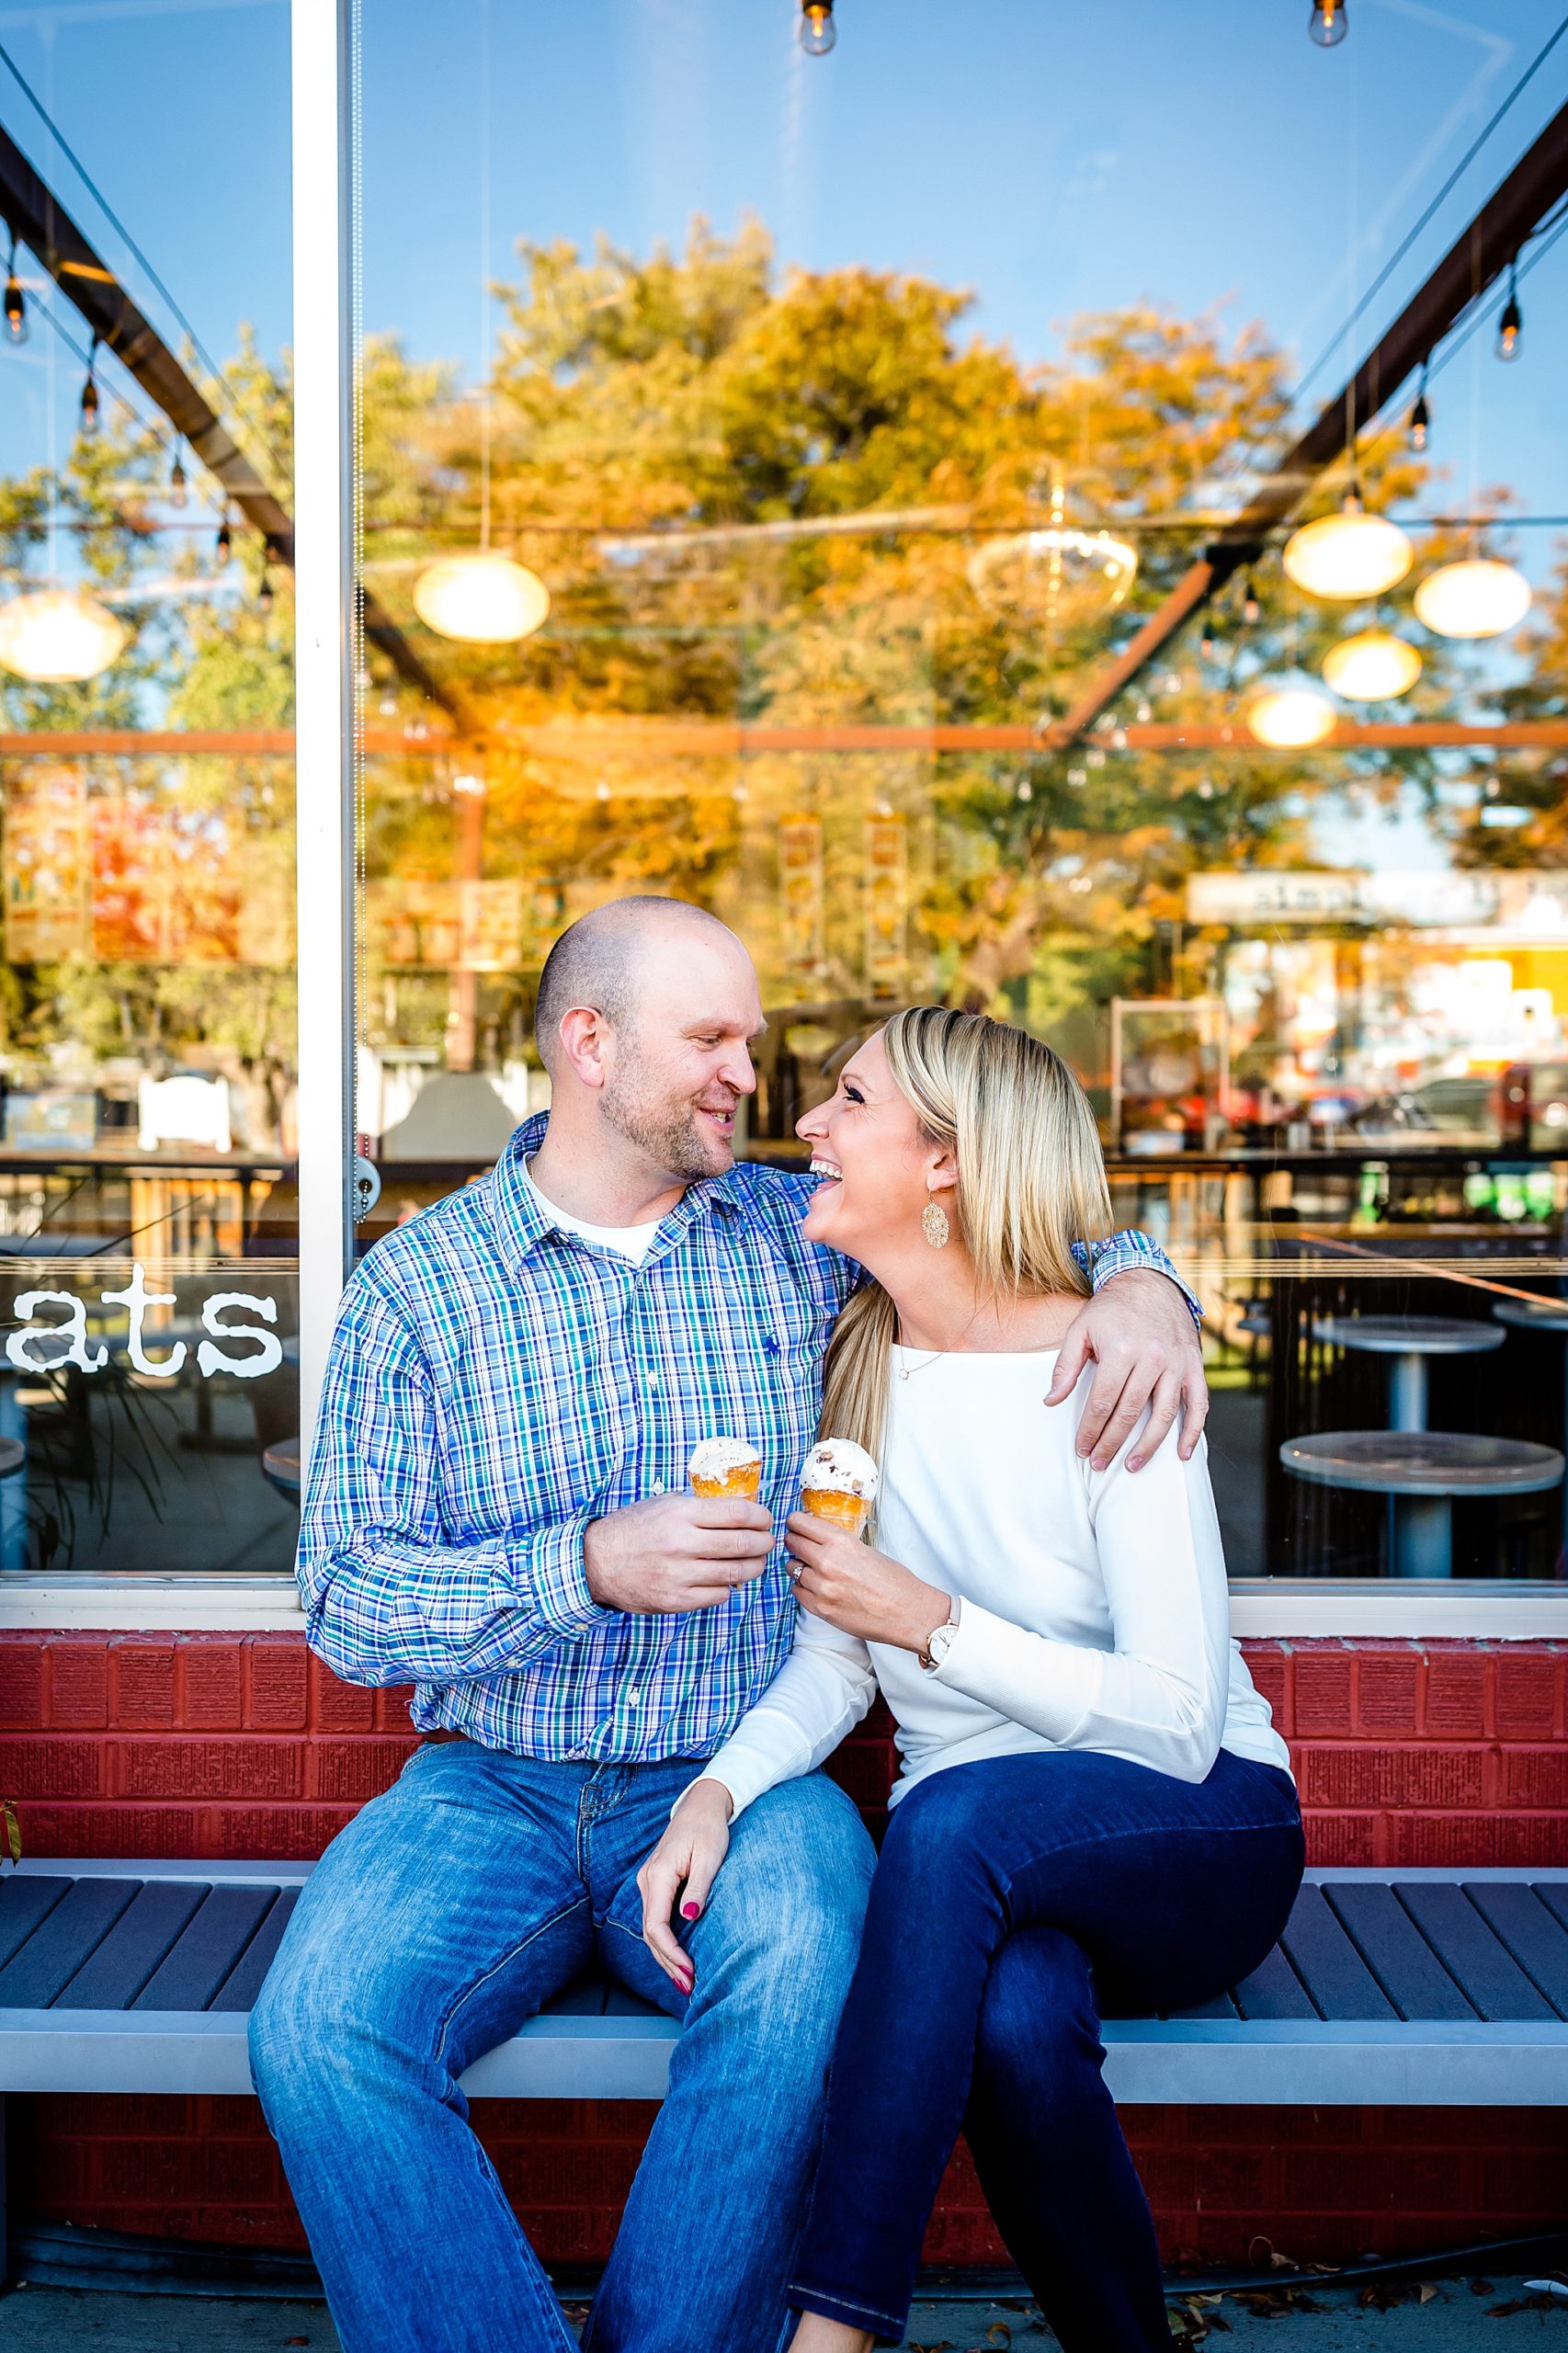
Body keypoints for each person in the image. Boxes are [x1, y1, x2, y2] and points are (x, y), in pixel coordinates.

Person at [250, 897, 1209, 2353]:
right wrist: (581, 1564)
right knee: (317, 2033)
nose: (744, 1077)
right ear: (588, 1043)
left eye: (751, 1043)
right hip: (487, 1785)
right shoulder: (419, 1289)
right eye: (709, 1039)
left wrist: (1146, 1288)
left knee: (802, 2003)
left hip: (746, 1778)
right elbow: (345, 1602)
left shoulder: (794, 1233)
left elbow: (1015, 1221)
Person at [638, 1004, 1302, 2353]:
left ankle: (833, 2334)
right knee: (1009, 2017)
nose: (807, 1125)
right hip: (987, 1872)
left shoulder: (1111, 1367)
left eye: (850, 1102)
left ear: (945, 1162)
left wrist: (936, 1626)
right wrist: (714, 1793)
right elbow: (836, 1651)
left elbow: (1177, 1728)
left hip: (1196, 1830)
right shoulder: (863, 1365)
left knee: (941, 1820)